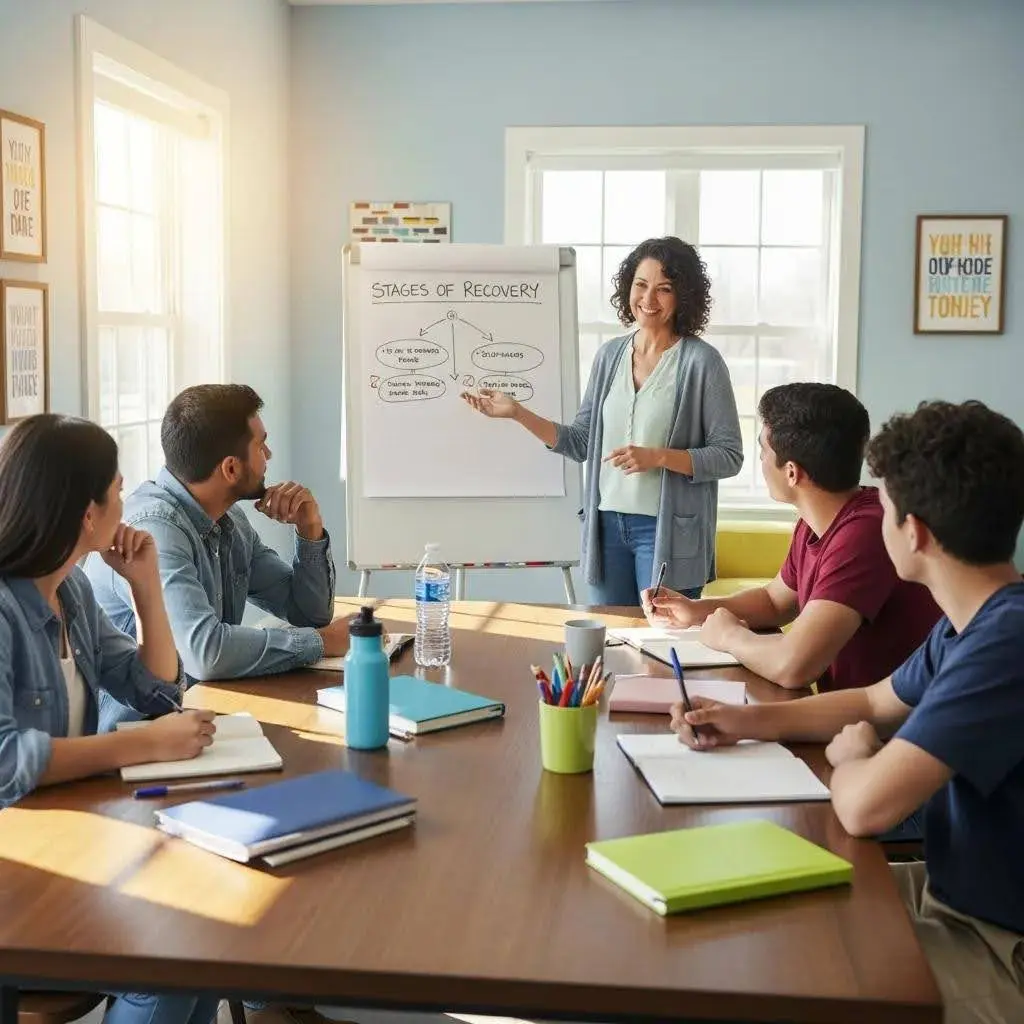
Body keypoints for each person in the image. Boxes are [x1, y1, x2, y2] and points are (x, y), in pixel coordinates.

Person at [671, 399, 1024, 1024]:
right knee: (757, 915)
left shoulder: (1005, 644)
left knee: (787, 978)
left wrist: (855, 754)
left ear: (912, 532)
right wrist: (740, 721)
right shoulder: (972, 623)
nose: (870, 513)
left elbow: (863, 805)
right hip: (955, 890)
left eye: (882, 505)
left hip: (999, 947)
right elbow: (870, 699)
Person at [0, 413, 219, 1024]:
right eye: (118, 489)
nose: (130, 499)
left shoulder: (71, 591)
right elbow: (6, 761)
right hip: (18, 874)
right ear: (86, 515)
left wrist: (147, 588)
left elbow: (156, 690)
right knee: (175, 960)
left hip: (68, 845)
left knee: (204, 947)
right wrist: (140, 746)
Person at [462, 236, 743, 606]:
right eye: (641, 285)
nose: (648, 299)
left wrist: (659, 457)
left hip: (666, 532)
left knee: (659, 646)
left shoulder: (702, 362)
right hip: (606, 528)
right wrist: (517, 413)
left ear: (683, 296)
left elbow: (729, 455)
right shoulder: (609, 355)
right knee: (610, 642)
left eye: (664, 289)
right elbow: (581, 442)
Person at [645, 383, 940, 691]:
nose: (759, 461)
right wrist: (695, 611)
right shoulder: (820, 519)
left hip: (881, 730)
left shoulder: (864, 533)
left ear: (791, 472)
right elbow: (776, 602)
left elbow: (794, 667)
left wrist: (729, 636)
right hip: (845, 717)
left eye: (762, 451)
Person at [85, 385, 348, 729]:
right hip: (139, 739)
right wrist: (319, 644)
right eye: (260, 445)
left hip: (204, 720)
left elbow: (308, 612)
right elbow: (204, 652)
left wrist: (309, 530)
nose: (268, 454)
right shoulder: (155, 530)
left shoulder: (229, 520)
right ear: (230, 469)